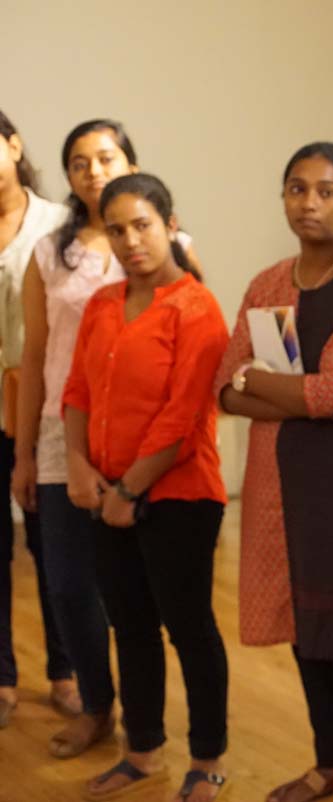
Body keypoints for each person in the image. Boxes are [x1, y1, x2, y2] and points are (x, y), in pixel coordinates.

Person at [215, 142, 333, 802]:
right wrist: (296, 394)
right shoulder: (268, 283)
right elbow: (223, 389)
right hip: (277, 482)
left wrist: (260, 383)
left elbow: (330, 391)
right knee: (304, 628)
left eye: (326, 190)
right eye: (297, 188)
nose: (309, 203)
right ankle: (331, 763)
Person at [16, 118, 201, 758]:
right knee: (68, 584)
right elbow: (37, 356)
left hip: (147, 443)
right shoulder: (51, 252)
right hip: (61, 435)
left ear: (131, 164)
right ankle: (97, 705)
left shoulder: (170, 243)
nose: (93, 171)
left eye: (106, 157)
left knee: (138, 594)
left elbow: (196, 337)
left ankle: (149, 727)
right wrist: (26, 455)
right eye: (79, 162)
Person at [63, 173, 230, 802]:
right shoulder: (102, 304)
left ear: (169, 224)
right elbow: (78, 390)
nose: (131, 241)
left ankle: (208, 759)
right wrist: (78, 464)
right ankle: (142, 751)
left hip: (180, 495)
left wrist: (129, 491)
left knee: (189, 629)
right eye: (117, 230)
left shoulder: (197, 307)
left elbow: (182, 417)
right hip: (106, 491)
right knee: (130, 627)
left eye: (142, 225)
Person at [0, 108, 75, 727]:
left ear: (15, 145)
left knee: (53, 547)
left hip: (42, 407)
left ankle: (66, 670)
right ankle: (2, 675)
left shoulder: (59, 226)